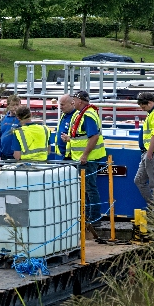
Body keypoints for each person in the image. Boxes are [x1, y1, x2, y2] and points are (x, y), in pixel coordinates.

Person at [60, 90, 106, 227]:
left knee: (90, 189)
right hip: (82, 158)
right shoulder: (82, 114)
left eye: (73, 100)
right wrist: (69, 139)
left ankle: (94, 219)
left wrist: (85, 155)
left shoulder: (88, 115)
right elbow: (82, 136)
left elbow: (94, 137)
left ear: (80, 101)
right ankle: (88, 217)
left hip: (88, 159)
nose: (72, 102)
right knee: (86, 189)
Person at [53, 94, 76, 159]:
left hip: (70, 157)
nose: (60, 107)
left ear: (72, 103)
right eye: (60, 104)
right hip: (60, 155)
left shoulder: (77, 116)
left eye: (62, 105)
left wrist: (70, 139)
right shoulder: (64, 115)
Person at [0, 95, 21, 160]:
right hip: (4, 155)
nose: (15, 107)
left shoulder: (22, 120)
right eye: (13, 105)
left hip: (17, 155)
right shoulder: (3, 120)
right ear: (8, 106)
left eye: (17, 105)